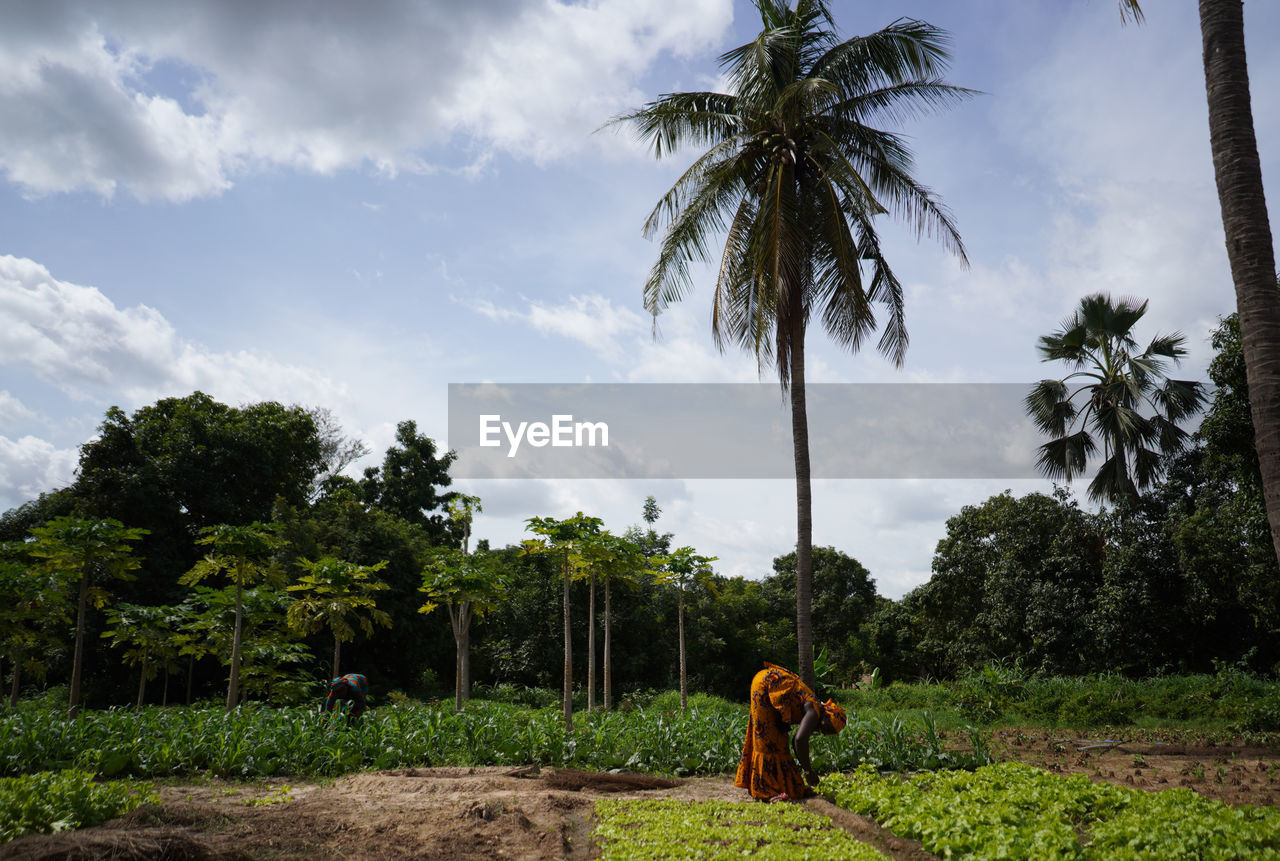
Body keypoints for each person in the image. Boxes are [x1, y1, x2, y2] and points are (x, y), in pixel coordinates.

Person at [734, 661, 847, 801]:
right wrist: (808, 771)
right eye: (825, 730)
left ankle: (788, 787)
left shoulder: (815, 709)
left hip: (771, 686)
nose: (821, 732)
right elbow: (799, 740)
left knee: (780, 743)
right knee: (767, 742)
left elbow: (795, 741)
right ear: (825, 720)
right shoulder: (814, 712)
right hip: (765, 685)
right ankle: (766, 791)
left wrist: (807, 770)